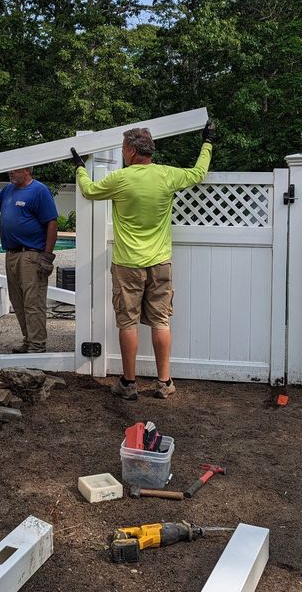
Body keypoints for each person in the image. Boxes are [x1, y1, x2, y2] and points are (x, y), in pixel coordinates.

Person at [72, 121, 215, 400]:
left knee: (128, 323)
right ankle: (164, 383)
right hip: (160, 262)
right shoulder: (166, 175)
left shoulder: (121, 179)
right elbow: (199, 173)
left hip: (128, 264)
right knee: (161, 321)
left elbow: (88, 190)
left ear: (132, 151)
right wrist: (207, 142)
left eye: (124, 148)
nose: (123, 153)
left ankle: (128, 384)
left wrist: (80, 166)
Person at [0, 168, 58, 353]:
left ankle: (38, 345)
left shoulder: (39, 191)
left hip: (31, 254)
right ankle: (29, 340)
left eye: (14, 170)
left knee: (33, 301)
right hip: (12, 254)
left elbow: (52, 223)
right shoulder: (8, 190)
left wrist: (47, 256)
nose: (10, 173)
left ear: (27, 171)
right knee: (18, 302)